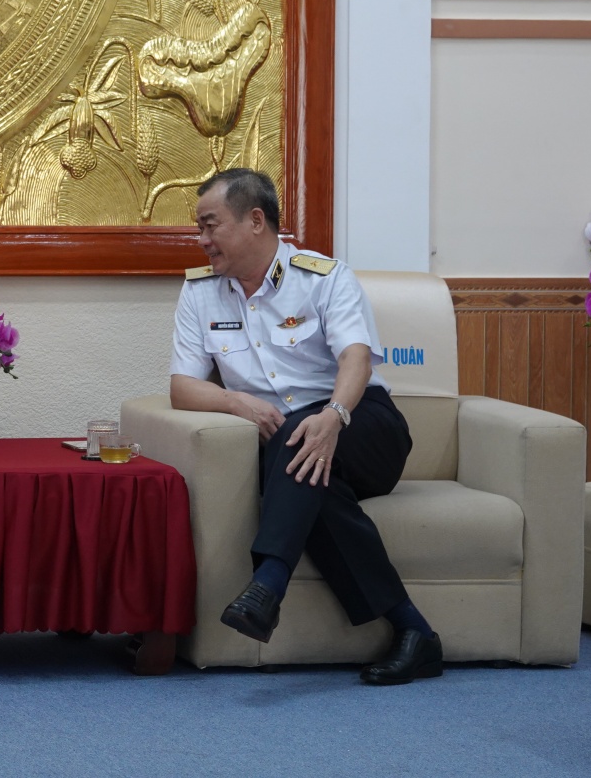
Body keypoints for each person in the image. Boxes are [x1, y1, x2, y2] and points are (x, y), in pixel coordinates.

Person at [168, 168, 441, 685]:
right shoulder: (200, 293)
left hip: (363, 423)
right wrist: (236, 402)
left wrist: (334, 416)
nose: (201, 239)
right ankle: (414, 631)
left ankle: (269, 580)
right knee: (311, 475)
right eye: (199, 228)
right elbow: (182, 387)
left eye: (210, 225)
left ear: (255, 220)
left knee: (297, 437)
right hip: (286, 441)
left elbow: (357, 358)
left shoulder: (324, 277)